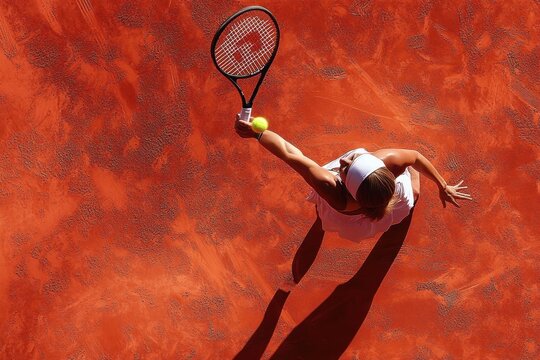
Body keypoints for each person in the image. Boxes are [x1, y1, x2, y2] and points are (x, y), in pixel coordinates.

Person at [234, 115, 473, 242]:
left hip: (348, 211)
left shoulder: (331, 188)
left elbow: (291, 154)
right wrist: (442, 185)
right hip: (383, 201)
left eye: (347, 168)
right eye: (354, 159)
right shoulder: (389, 163)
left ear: (345, 186)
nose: (344, 161)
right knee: (414, 194)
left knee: (324, 217)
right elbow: (417, 157)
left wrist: (258, 134)